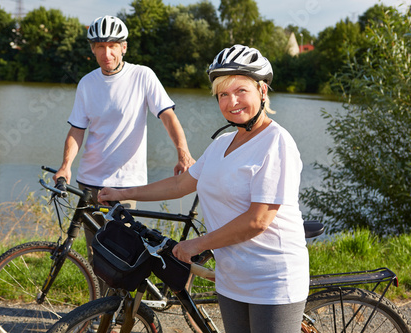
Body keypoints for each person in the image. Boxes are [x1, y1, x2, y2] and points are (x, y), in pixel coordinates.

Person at [98, 44, 309, 333]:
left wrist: (196, 245)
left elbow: (258, 220)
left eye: (240, 91)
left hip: (272, 280)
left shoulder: (276, 142)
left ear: (262, 91)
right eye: (223, 94)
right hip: (231, 278)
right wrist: (123, 194)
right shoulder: (223, 143)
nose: (231, 101)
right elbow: (180, 184)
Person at [53, 15, 194, 261]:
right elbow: (77, 129)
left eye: (112, 46)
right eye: (100, 46)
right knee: (96, 257)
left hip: (125, 185)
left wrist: (183, 152)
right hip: (90, 184)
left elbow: (167, 116)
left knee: (121, 258)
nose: (107, 53)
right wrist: (65, 166)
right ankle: (101, 301)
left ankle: (124, 301)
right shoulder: (87, 83)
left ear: (123, 47)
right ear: (93, 50)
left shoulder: (142, 76)